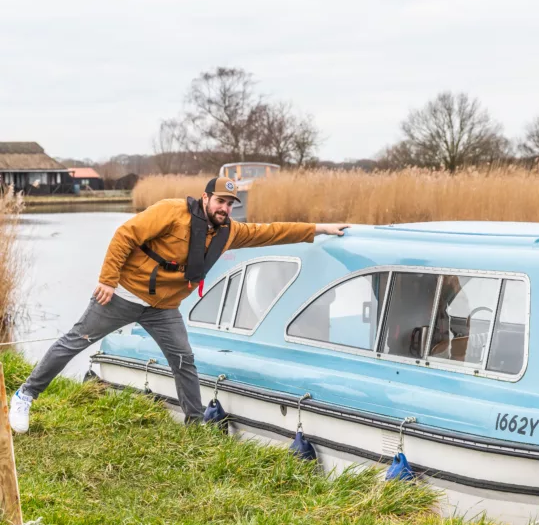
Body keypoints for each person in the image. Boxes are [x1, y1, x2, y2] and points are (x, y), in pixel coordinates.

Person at [9, 177, 349, 433]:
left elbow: (270, 231)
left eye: (231, 204)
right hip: (124, 294)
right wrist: (107, 279)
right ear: (205, 198)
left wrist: (319, 228)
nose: (225, 209)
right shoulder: (171, 212)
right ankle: (25, 395)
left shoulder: (228, 231)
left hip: (164, 308)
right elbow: (125, 234)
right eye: (220, 201)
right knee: (74, 342)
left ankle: (194, 422)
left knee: (184, 360)